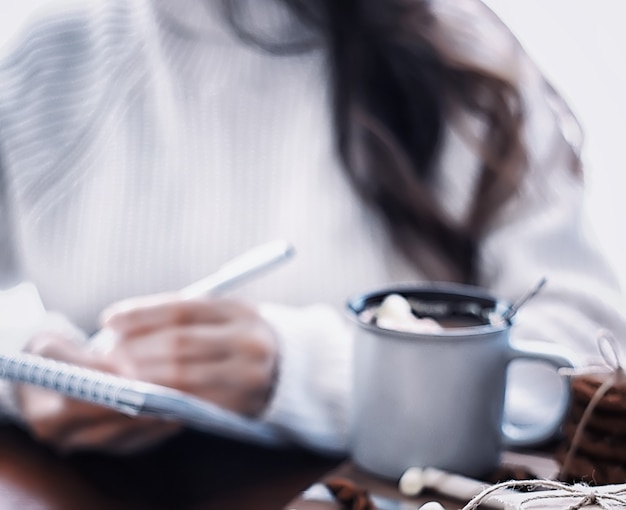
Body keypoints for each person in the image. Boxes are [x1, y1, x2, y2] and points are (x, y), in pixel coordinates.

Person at [0, 0, 624, 455]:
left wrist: (299, 368)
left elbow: (590, 363)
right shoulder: (47, 58)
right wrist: (29, 367)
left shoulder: (465, 63)